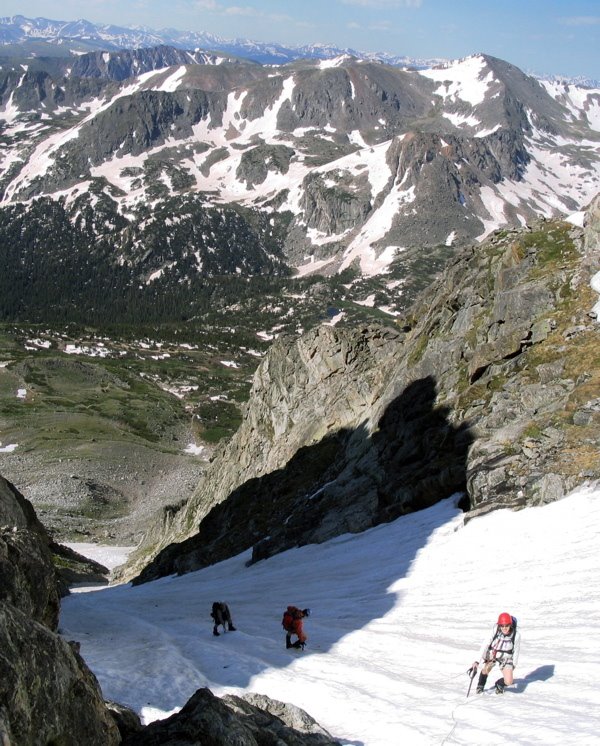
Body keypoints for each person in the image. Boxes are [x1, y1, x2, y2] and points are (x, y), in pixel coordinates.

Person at [469, 612, 520, 694]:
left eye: (506, 625)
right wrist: (476, 661)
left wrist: (514, 664)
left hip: (506, 657)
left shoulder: (516, 635)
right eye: (502, 626)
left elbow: (516, 650)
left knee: (509, 681)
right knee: (486, 669)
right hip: (493, 653)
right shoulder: (495, 630)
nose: (504, 628)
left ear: (510, 624)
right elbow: (485, 644)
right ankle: (480, 685)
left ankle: (499, 684)